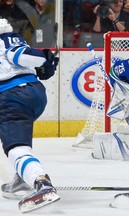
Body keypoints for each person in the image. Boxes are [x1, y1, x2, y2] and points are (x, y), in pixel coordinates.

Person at [0, 18, 59, 213]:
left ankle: (41, 182)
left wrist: (42, 57)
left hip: (13, 96)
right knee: (15, 134)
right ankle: (22, 176)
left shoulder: (6, 40)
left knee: (16, 147)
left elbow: (19, 55)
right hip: (30, 93)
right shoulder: (9, 39)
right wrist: (45, 61)